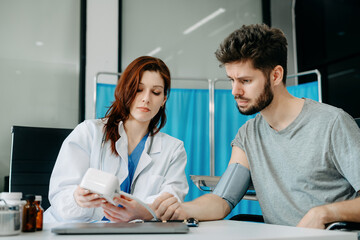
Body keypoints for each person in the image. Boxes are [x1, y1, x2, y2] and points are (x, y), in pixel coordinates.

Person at [152, 24, 360, 229]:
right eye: (232, 80)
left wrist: (324, 213)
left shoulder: (332, 124)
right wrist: (180, 209)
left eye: (245, 80)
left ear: (276, 75)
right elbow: (222, 199)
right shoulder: (248, 134)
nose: (235, 91)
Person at [44, 56, 189, 223]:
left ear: (164, 100)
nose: (146, 98)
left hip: (132, 234)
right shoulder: (89, 132)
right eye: (139, 89)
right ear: (126, 90)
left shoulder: (173, 149)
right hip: (75, 229)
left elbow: (170, 202)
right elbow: (60, 194)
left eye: (156, 92)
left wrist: (144, 211)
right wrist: (77, 199)